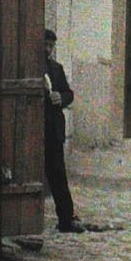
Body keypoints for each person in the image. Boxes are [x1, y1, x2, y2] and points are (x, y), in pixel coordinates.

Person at [43, 31, 83, 234]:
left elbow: (69, 93)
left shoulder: (56, 69)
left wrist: (61, 97)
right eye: (45, 45)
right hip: (34, 130)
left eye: (51, 46)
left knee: (58, 174)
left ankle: (66, 219)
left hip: (53, 130)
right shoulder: (31, 67)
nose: (48, 50)